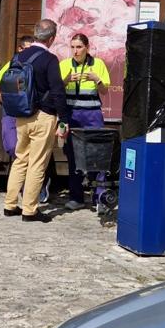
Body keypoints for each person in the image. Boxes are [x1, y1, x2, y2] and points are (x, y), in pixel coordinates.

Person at [3, 20, 69, 223]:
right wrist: (64, 119)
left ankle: (10, 204)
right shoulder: (49, 59)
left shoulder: (19, 56)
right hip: (43, 115)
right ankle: (30, 210)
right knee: (38, 163)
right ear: (51, 38)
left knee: (20, 159)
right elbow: (57, 90)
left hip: (21, 114)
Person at [60, 33, 112, 211]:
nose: (75, 51)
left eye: (79, 47)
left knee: (98, 154)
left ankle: (100, 198)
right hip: (72, 114)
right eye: (73, 47)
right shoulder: (65, 65)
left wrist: (96, 79)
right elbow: (57, 91)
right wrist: (66, 80)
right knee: (72, 154)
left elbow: (105, 91)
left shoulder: (98, 64)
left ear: (87, 47)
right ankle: (76, 197)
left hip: (92, 115)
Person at [0, 35, 36, 161]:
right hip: (11, 114)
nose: (28, 53)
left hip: (28, 115)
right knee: (14, 148)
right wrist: (12, 105)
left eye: (31, 50)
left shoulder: (33, 68)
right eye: (25, 49)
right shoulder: (10, 66)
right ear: (19, 49)